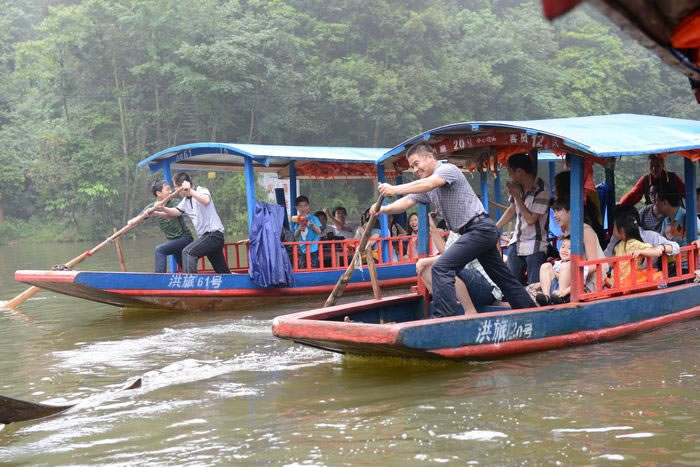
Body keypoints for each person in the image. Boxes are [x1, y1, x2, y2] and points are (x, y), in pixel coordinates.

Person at [371, 142, 535, 317]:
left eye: (416, 164)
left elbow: (429, 183)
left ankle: (444, 318)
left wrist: (395, 189)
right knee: (503, 278)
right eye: (412, 167)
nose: (415, 170)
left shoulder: (447, 170)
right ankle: (530, 312)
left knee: (441, 268)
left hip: (479, 229)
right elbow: (407, 202)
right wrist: (384, 209)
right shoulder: (426, 187)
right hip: (477, 232)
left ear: (429, 157)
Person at [417, 219, 504, 314]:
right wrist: (433, 228)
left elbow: (456, 256)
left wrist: (425, 261)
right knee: (425, 270)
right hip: (470, 285)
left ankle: (470, 311)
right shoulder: (454, 232)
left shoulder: (476, 228)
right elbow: (446, 253)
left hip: (488, 288)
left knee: (444, 268)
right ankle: (445, 308)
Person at [154, 172, 230, 274]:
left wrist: (189, 190)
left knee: (188, 252)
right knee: (221, 270)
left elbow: (206, 200)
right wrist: (161, 209)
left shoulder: (201, 190)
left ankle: (190, 282)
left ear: (183, 186)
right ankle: (234, 281)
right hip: (206, 237)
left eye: (176, 187)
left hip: (214, 235)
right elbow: (175, 212)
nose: (175, 190)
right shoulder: (185, 201)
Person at [496, 152, 549, 284]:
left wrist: (517, 196)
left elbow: (531, 219)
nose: (509, 175)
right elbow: (512, 209)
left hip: (536, 244)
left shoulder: (542, 190)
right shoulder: (517, 186)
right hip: (517, 241)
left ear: (519, 171)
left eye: (510, 171)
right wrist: (495, 227)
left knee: (534, 286)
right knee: (512, 285)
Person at [541, 197, 608, 297]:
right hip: (571, 278)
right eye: (554, 211)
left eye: (558, 210)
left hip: (589, 282)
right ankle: (547, 297)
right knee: (545, 267)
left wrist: (569, 270)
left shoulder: (585, 230)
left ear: (571, 212)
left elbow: (594, 264)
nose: (554, 215)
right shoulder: (567, 231)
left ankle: (560, 296)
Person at [129, 180, 194, 273]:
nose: (170, 191)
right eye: (167, 189)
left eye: (170, 189)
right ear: (158, 193)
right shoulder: (152, 206)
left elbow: (173, 214)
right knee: (185, 269)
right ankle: (192, 279)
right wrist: (132, 222)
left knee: (160, 250)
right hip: (173, 242)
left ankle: (159, 278)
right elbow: (139, 218)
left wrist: (157, 212)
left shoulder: (175, 202)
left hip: (184, 238)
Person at [603, 205, 679, 260]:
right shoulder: (615, 240)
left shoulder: (650, 236)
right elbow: (605, 258)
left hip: (648, 276)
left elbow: (676, 247)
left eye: (614, 224)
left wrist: (661, 248)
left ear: (622, 229)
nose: (613, 227)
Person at [619, 155, 684, 207]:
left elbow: (685, 192)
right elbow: (633, 195)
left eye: (657, 165)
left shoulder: (673, 177)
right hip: (654, 214)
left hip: (674, 213)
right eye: (651, 165)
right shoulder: (645, 180)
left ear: (663, 165)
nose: (654, 169)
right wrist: (620, 205)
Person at [533, 236, 580, 306]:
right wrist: (541, 283)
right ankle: (546, 297)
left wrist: (564, 292)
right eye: (563, 247)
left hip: (567, 292)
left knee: (565, 265)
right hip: (553, 292)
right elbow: (550, 277)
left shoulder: (577, 265)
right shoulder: (557, 264)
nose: (564, 250)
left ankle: (561, 298)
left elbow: (579, 283)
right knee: (546, 265)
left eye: (569, 248)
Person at [291, 196, 322, 268]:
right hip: (302, 249)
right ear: (296, 208)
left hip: (313, 248)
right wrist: (299, 229)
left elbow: (319, 231)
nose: (303, 208)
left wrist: (313, 225)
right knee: (302, 267)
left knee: (314, 267)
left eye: (305, 205)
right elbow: (295, 235)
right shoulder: (297, 220)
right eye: (300, 206)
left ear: (308, 206)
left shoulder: (314, 218)